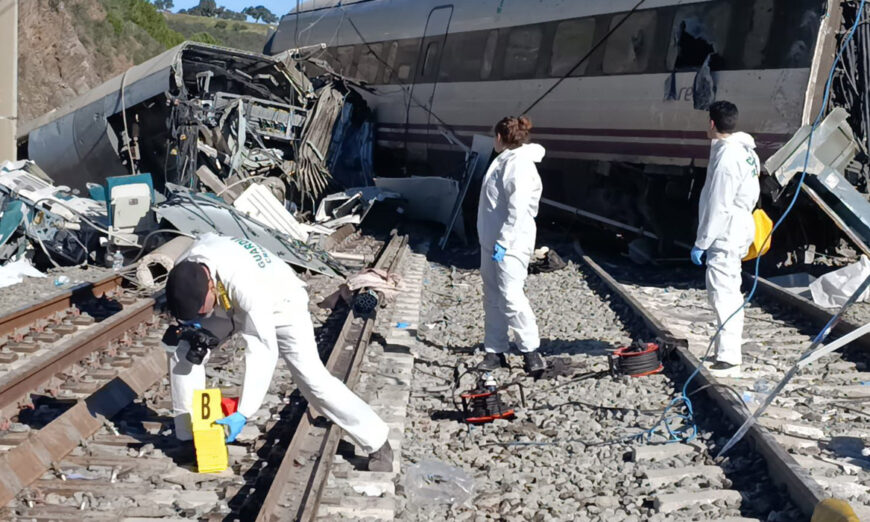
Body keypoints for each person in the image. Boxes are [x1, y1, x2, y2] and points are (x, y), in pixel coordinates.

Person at [162, 233, 393, 471]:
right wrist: (191, 328)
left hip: (282, 303)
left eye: (202, 311)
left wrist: (244, 412)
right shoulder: (187, 267)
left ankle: (377, 441)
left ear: (211, 286)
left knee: (313, 380)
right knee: (185, 350)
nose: (202, 315)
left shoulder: (244, 285)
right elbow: (186, 306)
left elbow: (262, 350)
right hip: (229, 302)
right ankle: (189, 438)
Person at [691, 100, 760, 374]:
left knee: (722, 293)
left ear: (711, 123)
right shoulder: (746, 151)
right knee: (729, 290)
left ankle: (729, 357)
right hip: (740, 224)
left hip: (726, 230)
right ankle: (727, 349)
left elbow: (718, 203)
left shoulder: (727, 158)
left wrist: (701, 242)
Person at [476, 116, 546, 374]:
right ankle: (495, 350)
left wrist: (504, 242)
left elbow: (517, 210)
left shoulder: (518, 165)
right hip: (492, 241)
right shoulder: (505, 160)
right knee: (493, 297)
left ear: (499, 137)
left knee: (511, 297)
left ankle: (531, 351)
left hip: (510, 244)